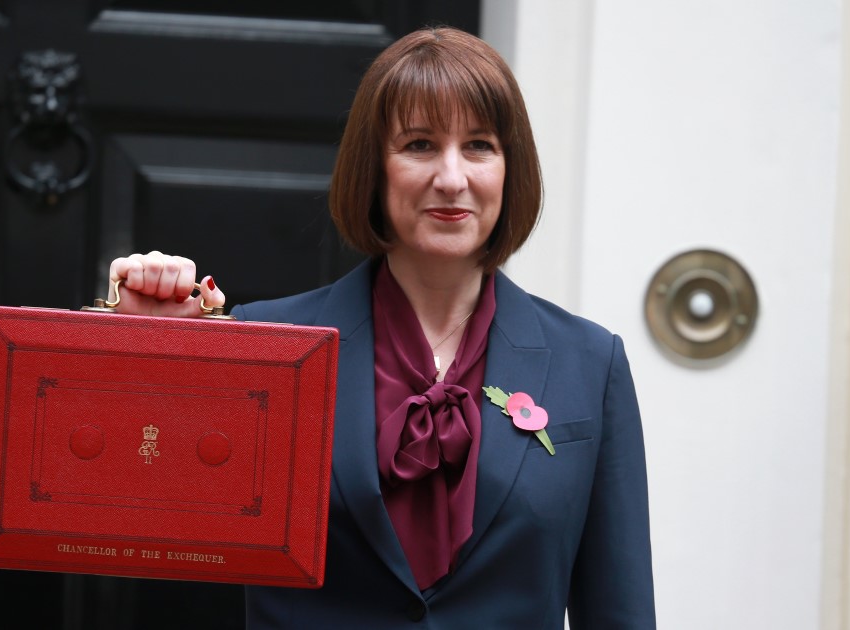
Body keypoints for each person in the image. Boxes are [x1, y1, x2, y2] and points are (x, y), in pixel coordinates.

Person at [108, 26, 655, 629]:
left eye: (478, 146)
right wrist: (147, 350)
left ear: (510, 169)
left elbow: (620, 610)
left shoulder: (589, 361)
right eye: (420, 145)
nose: (452, 178)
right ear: (375, 167)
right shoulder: (267, 344)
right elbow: (137, 515)